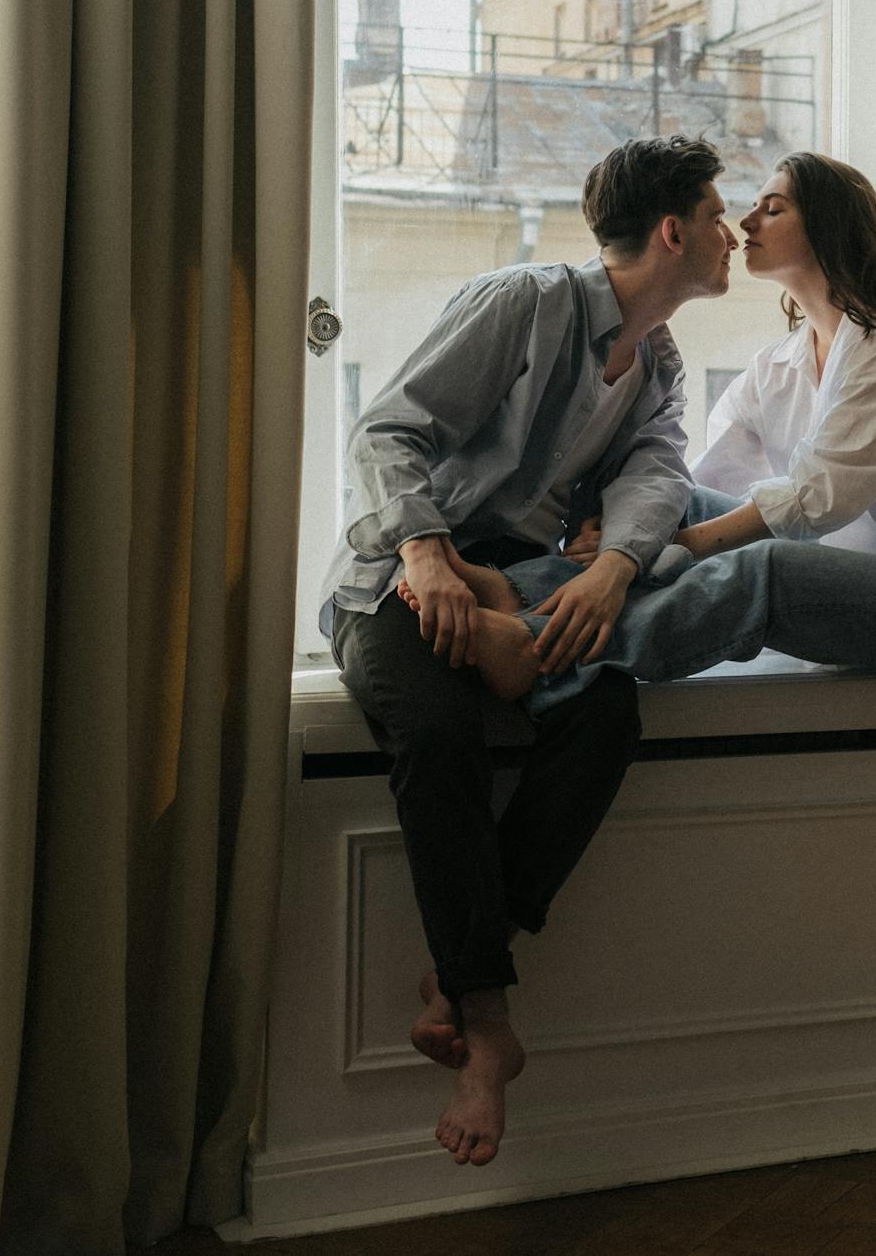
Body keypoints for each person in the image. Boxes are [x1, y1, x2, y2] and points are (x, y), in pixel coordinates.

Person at [318, 134, 735, 1168]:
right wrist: (428, 558)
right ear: (673, 230)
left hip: (528, 580)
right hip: (403, 568)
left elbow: (656, 475)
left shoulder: (660, 364)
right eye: (721, 215)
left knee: (604, 712)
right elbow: (386, 432)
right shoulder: (526, 301)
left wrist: (616, 568)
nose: (732, 235)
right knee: (443, 729)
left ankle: (461, 975)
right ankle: (487, 1026)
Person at [405, 151, 876, 715]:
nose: (746, 224)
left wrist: (671, 547)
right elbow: (688, 490)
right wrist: (629, 537)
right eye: (746, 209)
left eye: (772, 208)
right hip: (846, 571)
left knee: (766, 569)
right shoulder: (778, 366)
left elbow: (816, 501)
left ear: (828, 226)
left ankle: (532, 645)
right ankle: (524, 592)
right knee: (663, 505)